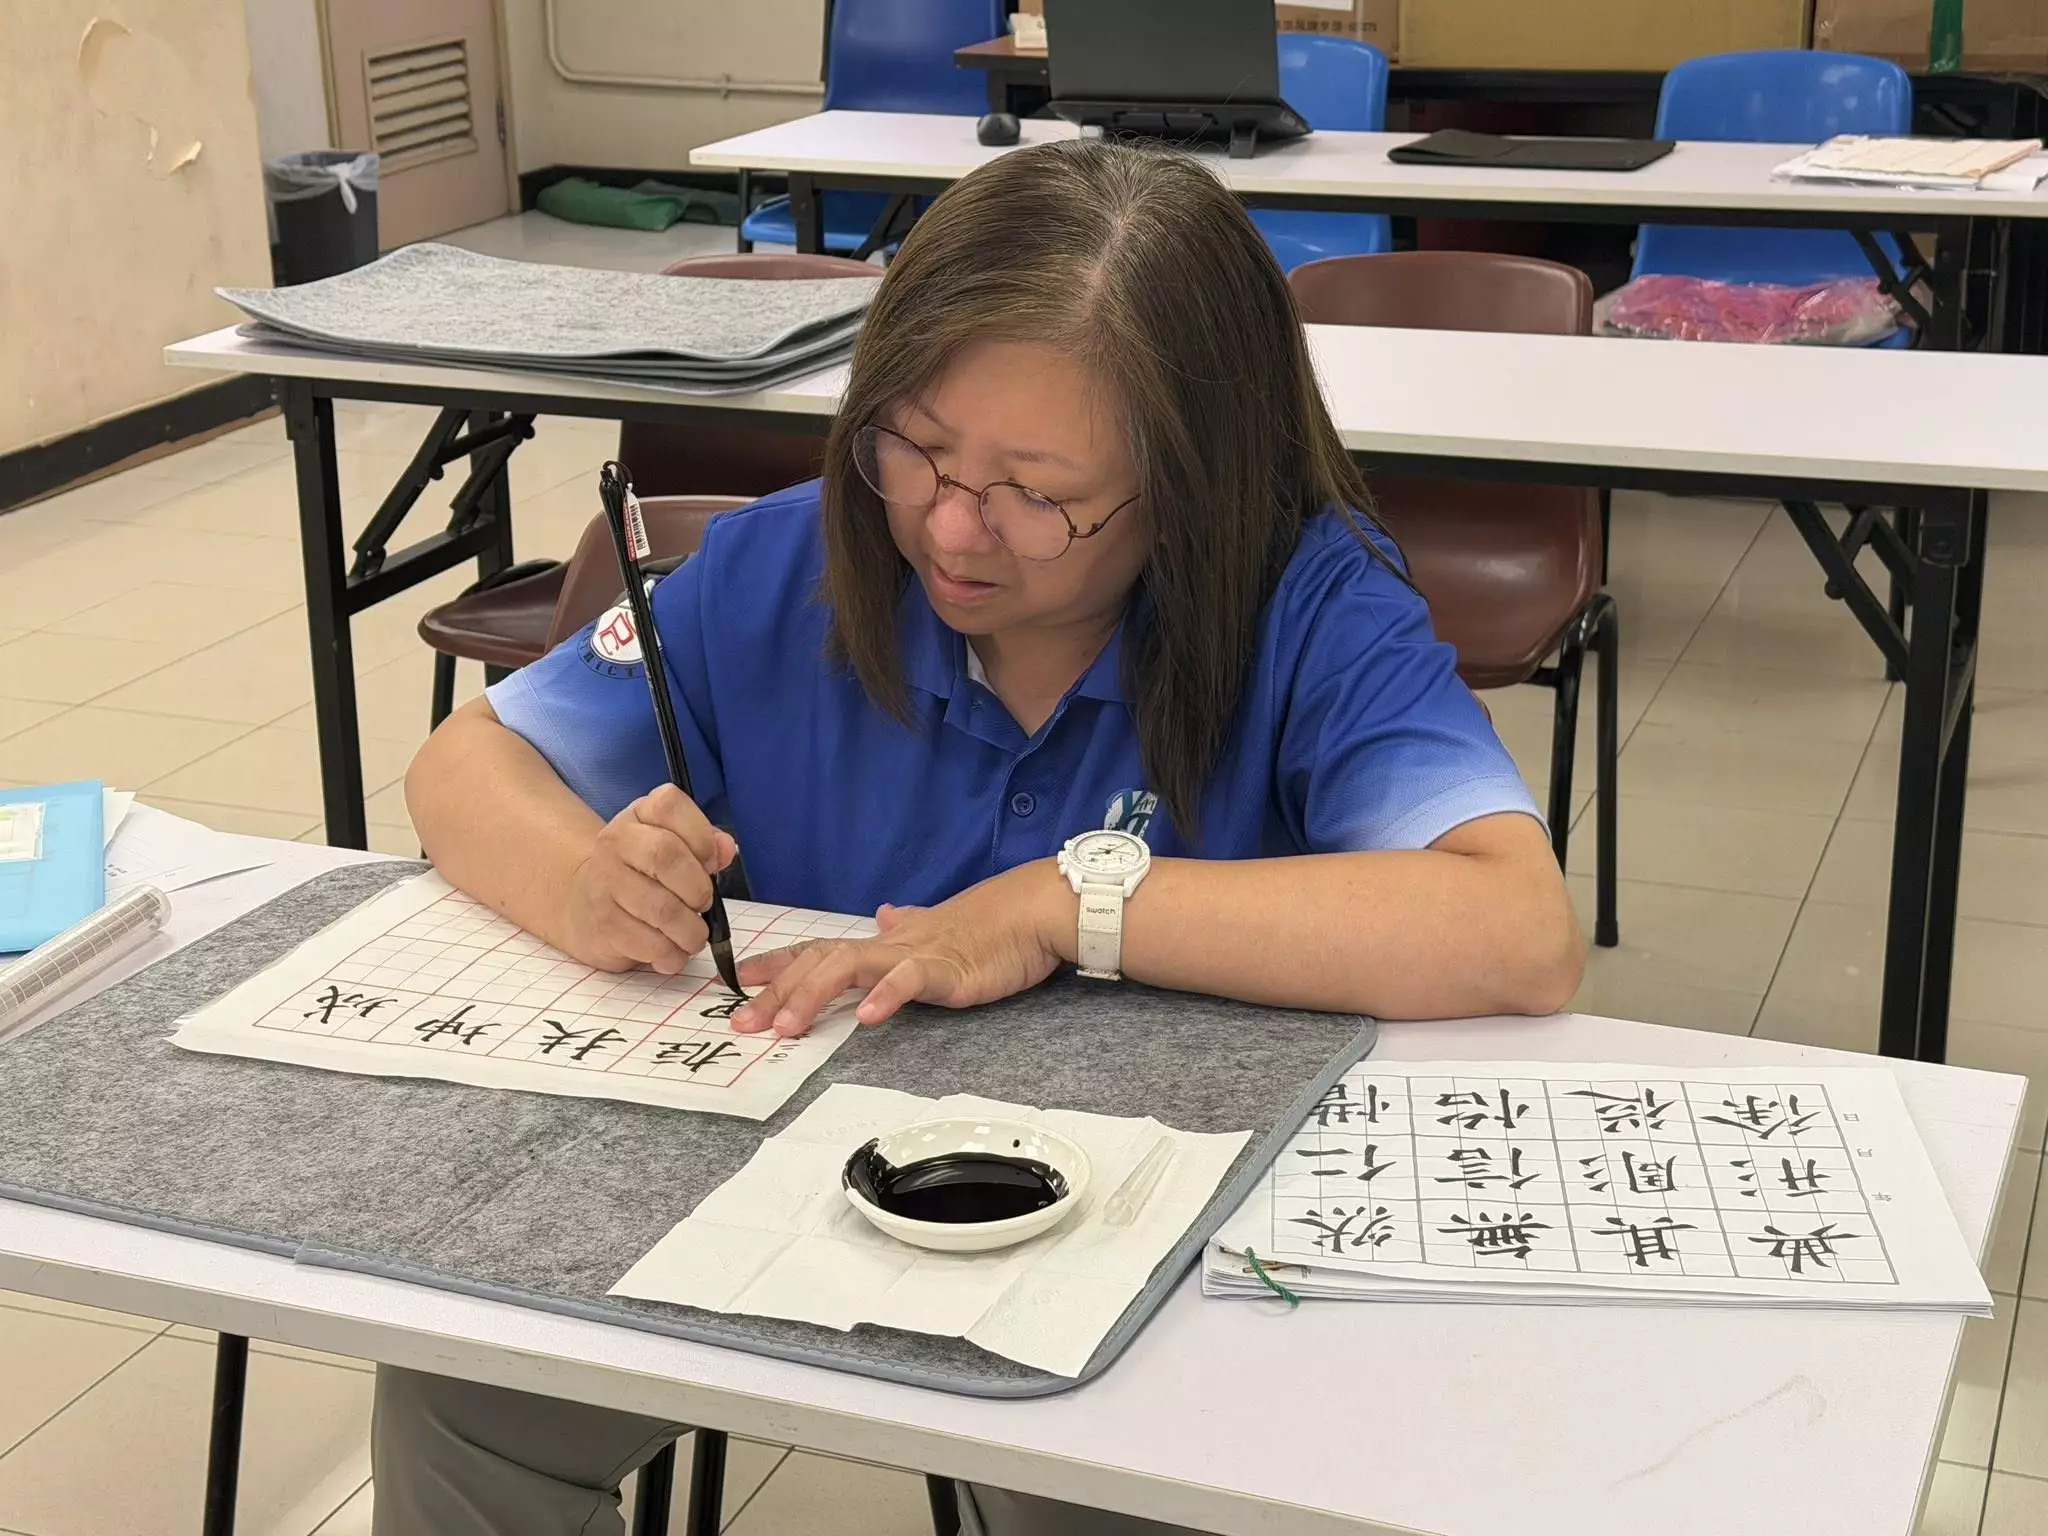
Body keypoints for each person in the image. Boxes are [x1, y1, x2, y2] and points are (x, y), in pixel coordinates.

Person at [391, 138, 1582, 1536]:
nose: (955, 528)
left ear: (1192, 480)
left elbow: (1515, 928)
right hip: (796, 1171)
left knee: (1086, 1478)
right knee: (460, 1396)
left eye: (1040, 491)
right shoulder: (784, 567)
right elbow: (467, 763)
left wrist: (1065, 905)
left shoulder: (1305, 609)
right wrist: (581, 881)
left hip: (1135, 1218)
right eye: (919, 449)